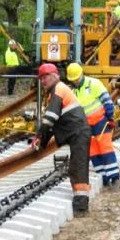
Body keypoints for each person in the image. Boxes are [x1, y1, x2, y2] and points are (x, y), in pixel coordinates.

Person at [31, 63, 92, 214]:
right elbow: (54, 122)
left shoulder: (58, 89)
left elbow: (50, 119)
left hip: (78, 133)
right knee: (76, 167)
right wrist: (42, 140)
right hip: (77, 132)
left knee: (79, 168)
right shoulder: (58, 90)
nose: (43, 81)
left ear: (55, 76)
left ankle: (81, 206)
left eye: (46, 77)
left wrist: (39, 137)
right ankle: (80, 203)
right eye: (41, 78)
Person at [67, 63, 120, 190]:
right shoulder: (74, 91)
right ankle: (103, 177)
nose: (75, 81)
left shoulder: (94, 84)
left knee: (105, 148)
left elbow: (107, 101)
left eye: (76, 79)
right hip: (86, 126)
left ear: (81, 75)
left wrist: (110, 117)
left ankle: (114, 177)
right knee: (93, 151)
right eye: (73, 80)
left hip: (100, 122)